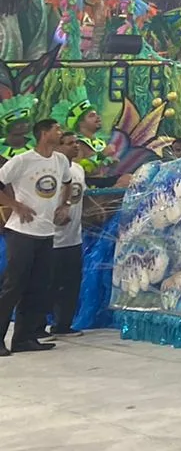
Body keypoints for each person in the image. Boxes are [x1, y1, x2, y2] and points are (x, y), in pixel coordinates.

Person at [0, 118, 68, 354]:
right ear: (43, 133)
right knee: (13, 286)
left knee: (37, 287)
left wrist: (64, 204)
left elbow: (67, 183)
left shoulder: (60, 161)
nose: (60, 132)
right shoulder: (23, 160)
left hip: (46, 232)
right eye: (56, 129)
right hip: (22, 232)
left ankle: (24, 338)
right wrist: (14, 205)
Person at [45, 132, 85, 338]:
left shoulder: (78, 169)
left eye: (76, 143)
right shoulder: (51, 170)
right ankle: (37, 326)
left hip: (74, 239)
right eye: (70, 144)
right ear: (58, 148)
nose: (76, 146)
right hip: (53, 240)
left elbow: (80, 199)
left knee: (71, 284)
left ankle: (63, 324)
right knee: (48, 285)